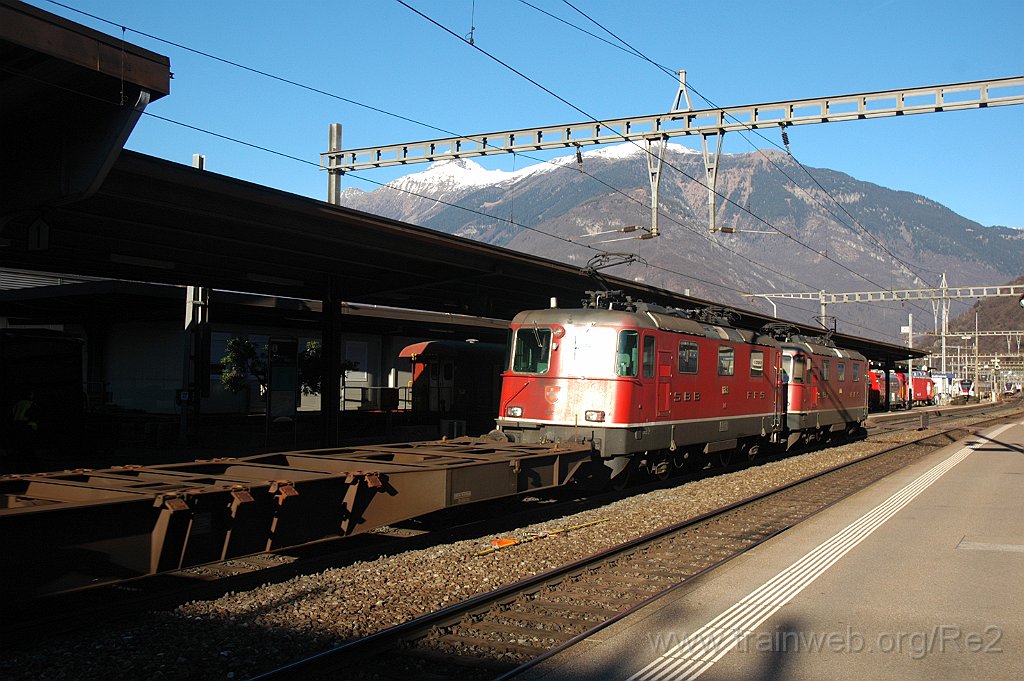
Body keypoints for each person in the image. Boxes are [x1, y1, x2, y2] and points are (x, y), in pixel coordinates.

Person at [11, 392, 39, 473]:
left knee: (21, 449)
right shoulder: (31, 404)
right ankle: (34, 468)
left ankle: (21, 468)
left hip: (18, 427)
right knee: (29, 449)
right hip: (27, 426)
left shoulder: (17, 404)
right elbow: (33, 415)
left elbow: (13, 414)